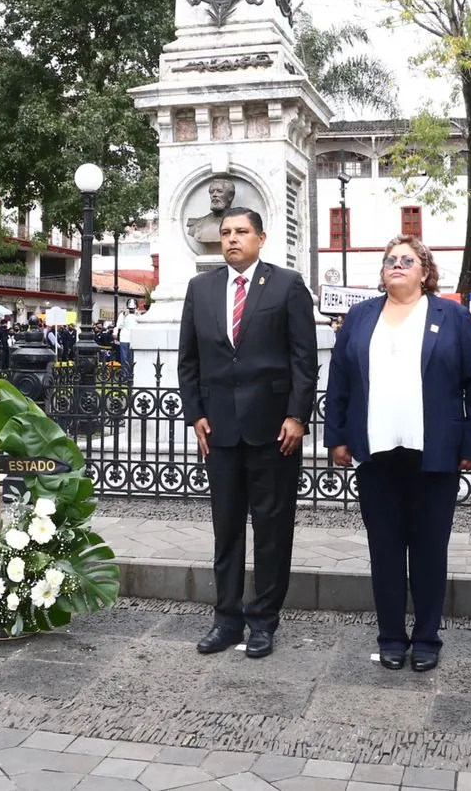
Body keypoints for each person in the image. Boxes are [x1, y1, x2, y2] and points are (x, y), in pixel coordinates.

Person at [324, 236, 471, 671]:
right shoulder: (360, 317)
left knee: (430, 549)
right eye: (390, 260)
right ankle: (391, 636)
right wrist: (337, 437)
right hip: (377, 453)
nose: (397, 265)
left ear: (425, 271)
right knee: (385, 549)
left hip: (433, 453)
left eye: (407, 260)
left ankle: (428, 637)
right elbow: (339, 381)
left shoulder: (451, 316)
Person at [178, 208, 319, 659]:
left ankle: (263, 620)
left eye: (241, 232)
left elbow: (303, 358)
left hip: (274, 429)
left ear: (261, 237)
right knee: (227, 529)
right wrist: (195, 414)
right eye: (226, 233)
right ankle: (227, 618)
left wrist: (297, 415)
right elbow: (189, 360)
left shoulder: (286, 285)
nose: (232, 239)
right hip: (220, 429)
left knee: (272, 529)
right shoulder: (200, 289)